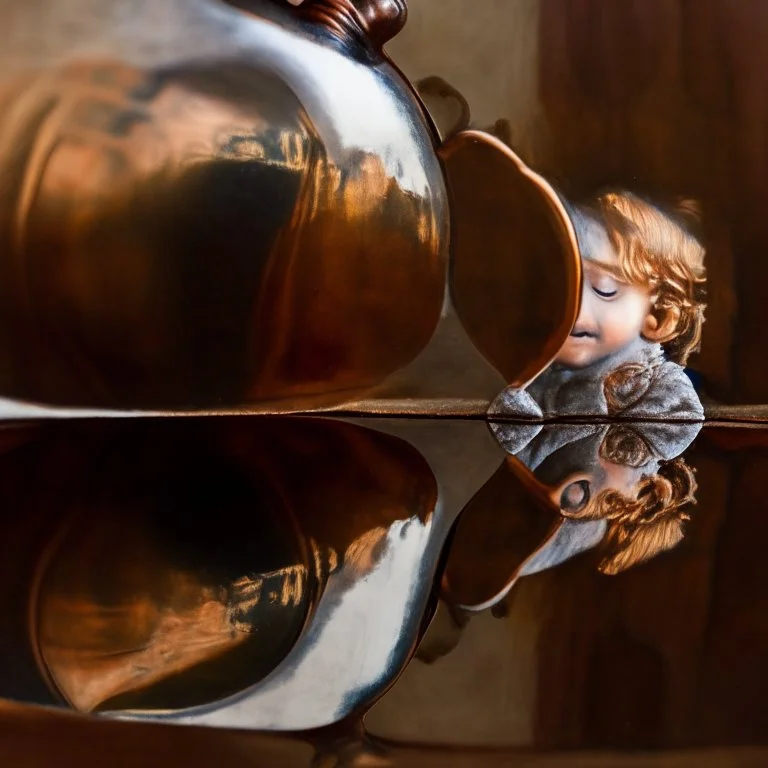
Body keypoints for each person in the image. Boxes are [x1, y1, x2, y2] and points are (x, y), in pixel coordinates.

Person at [490, 190, 707, 421]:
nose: (569, 302)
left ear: (658, 315)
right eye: (559, 283)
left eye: (604, 288)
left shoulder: (659, 390)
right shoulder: (535, 375)